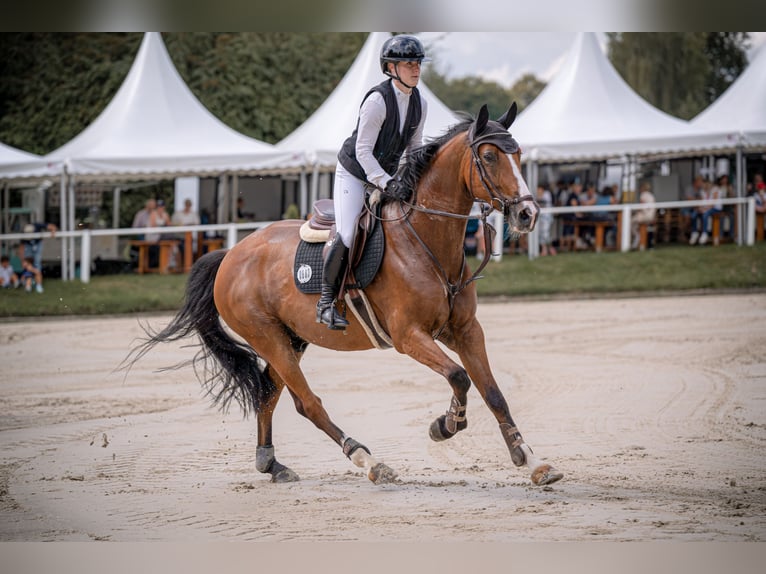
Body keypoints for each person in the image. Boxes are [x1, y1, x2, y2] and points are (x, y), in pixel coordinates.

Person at [317, 34, 430, 330]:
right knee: (348, 232)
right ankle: (326, 302)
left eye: (417, 63)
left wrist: (407, 181)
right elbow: (363, 151)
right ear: (391, 68)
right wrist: (385, 181)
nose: (416, 69)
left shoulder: (421, 103)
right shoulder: (377, 101)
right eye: (408, 63)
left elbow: (413, 149)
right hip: (354, 173)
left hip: (385, 177)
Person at [631, 182, 656, 249]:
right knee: (640, 224)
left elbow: (641, 207)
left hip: (645, 216)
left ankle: (637, 237)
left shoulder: (643, 195)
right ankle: (642, 243)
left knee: (630, 221)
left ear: (643, 189)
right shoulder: (651, 195)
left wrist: (635, 212)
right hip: (651, 216)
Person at [536, 184, 556, 256]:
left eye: (539, 189)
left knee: (545, 234)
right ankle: (545, 250)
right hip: (540, 217)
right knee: (541, 234)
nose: (538, 191)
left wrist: (538, 197)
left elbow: (542, 203)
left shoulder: (547, 194)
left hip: (547, 217)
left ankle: (550, 248)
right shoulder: (536, 194)